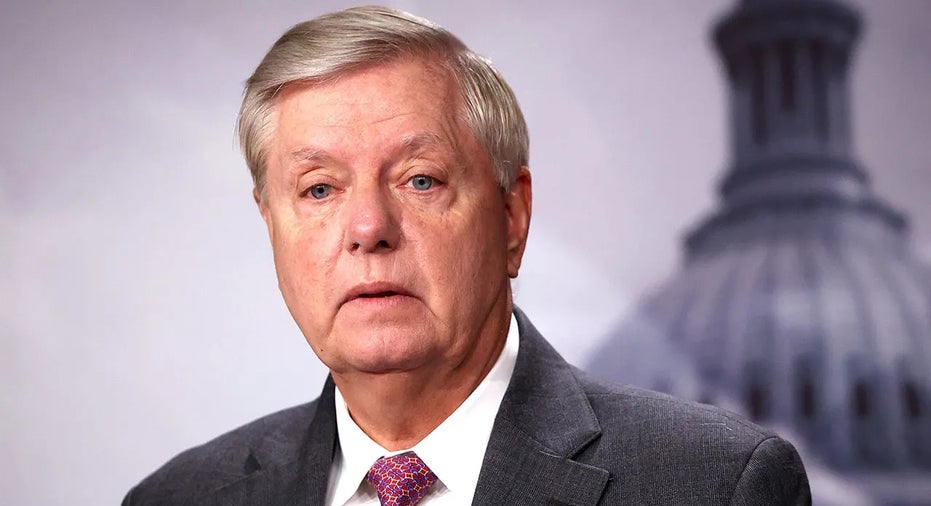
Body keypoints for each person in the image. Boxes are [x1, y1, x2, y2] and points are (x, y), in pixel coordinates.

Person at [123, 6, 810, 505]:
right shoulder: (178, 498)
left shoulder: (714, 485)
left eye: (419, 180)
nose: (368, 227)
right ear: (270, 224)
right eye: (319, 188)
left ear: (512, 216)